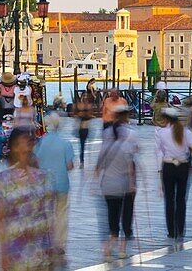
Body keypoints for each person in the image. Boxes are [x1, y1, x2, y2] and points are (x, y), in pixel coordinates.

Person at [0, 127, 54, 271]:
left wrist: (52, 246)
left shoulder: (43, 178)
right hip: (15, 252)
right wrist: (2, 255)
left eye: (28, 143)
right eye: (20, 143)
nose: (25, 148)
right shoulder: (3, 179)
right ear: (13, 147)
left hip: (40, 252)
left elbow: (50, 216)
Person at [95, 105, 140, 260]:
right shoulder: (131, 136)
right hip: (124, 185)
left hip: (107, 185)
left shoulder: (106, 136)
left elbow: (99, 164)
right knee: (126, 216)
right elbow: (131, 165)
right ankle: (122, 249)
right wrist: (133, 185)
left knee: (111, 217)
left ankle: (108, 248)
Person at [34, 113, 75, 266]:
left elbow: (36, 162)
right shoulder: (65, 143)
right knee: (61, 215)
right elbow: (70, 166)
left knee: (46, 215)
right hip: (62, 184)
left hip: (44, 184)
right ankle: (59, 244)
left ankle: (46, 244)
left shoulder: (41, 143)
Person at [154, 106, 192, 240]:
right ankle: (180, 228)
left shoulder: (160, 132)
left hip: (168, 166)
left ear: (166, 119)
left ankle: (171, 230)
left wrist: (158, 169)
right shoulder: (186, 131)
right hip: (183, 166)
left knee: (169, 199)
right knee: (181, 199)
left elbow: (159, 151)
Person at [73, 93, 94, 167]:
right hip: (81, 128)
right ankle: (82, 160)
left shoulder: (88, 106)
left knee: (85, 145)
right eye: (83, 96)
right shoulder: (79, 105)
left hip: (86, 127)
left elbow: (90, 115)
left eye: (86, 96)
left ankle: (84, 160)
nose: (85, 97)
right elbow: (75, 115)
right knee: (82, 145)